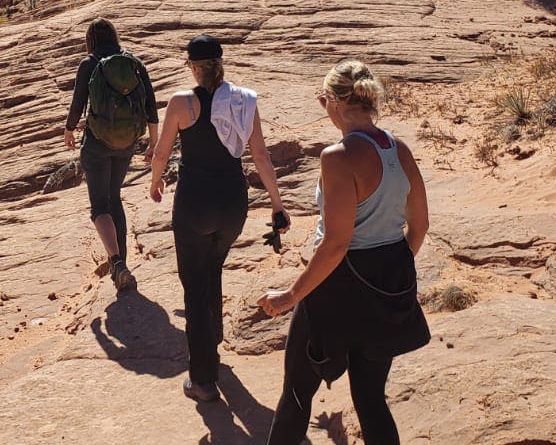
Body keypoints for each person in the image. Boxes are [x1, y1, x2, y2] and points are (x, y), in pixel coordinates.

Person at [258, 60, 430, 445]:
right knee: (371, 399)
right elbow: (419, 226)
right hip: (388, 283)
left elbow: (336, 242)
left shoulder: (337, 157)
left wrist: (290, 295)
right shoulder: (398, 149)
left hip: (334, 289)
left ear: (332, 102)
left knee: (298, 396)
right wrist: (389, 273)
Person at [149, 34, 288, 403]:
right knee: (212, 266)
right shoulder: (243, 101)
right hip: (232, 204)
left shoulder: (182, 103)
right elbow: (259, 155)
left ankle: (203, 379)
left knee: (193, 282)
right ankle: (213, 335)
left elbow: (161, 152)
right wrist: (277, 203)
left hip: (195, 204)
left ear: (193, 67)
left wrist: (155, 181)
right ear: (220, 63)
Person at [64, 18, 159, 291]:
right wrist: (153, 144)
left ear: (90, 40)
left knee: (100, 206)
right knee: (114, 197)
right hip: (126, 143)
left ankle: (117, 263)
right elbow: (150, 105)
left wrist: (69, 130)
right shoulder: (133, 62)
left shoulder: (89, 63)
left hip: (96, 144)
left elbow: (78, 102)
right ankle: (123, 263)